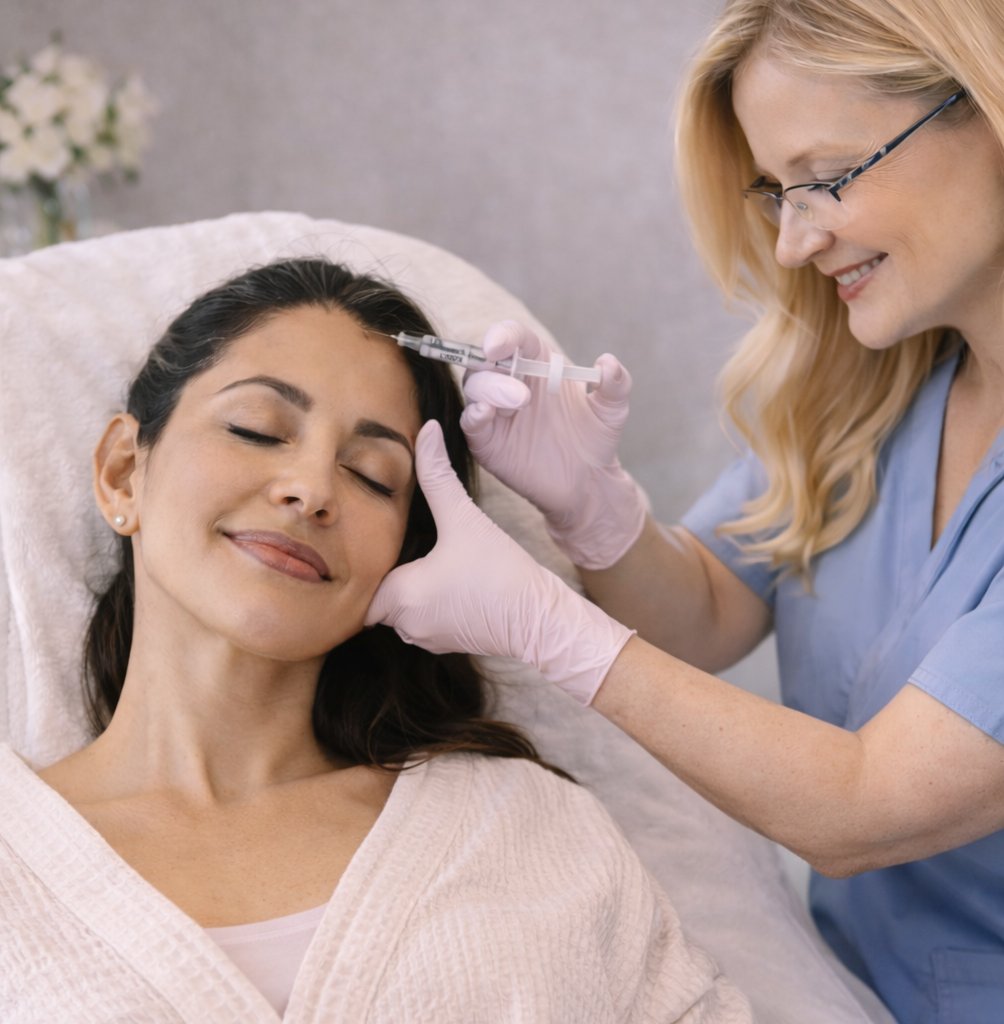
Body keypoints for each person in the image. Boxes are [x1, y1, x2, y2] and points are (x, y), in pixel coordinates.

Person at [364, 2, 1004, 1021]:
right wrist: (594, 513)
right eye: (778, 193)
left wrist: (546, 621)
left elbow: (865, 805)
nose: (795, 241)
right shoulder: (882, 393)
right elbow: (706, 609)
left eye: (828, 175)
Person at [0, 259, 751, 1023]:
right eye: (257, 429)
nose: (312, 489)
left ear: (407, 559)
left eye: (372, 476)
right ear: (122, 471)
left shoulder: (529, 831)